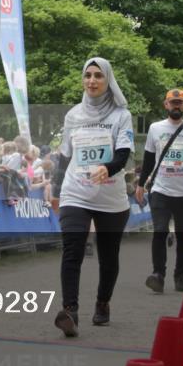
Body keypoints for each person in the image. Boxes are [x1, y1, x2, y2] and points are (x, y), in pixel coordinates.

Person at [51, 57, 134, 337]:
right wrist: (55, 190)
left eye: (98, 76)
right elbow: (65, 156)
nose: (92, 81)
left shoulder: (121, 115)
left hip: (111, 195)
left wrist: (106, 168)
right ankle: (70, 312)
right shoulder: (73, 115)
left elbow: (123, 154)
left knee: (108, 257)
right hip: (76, 190)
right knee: (72, 248)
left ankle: (103, 302)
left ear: (108, 80)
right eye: (87, 75)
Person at [135, 88, 183, 294]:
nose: (176, 106)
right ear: (166, 105)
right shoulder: (155, 128)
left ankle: (180, 275)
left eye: (180, 103)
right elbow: (148, 159)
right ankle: (158, 274)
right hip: (160, 190)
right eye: (172, 102)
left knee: (182, 236)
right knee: (160, 230)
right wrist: (140, 184)